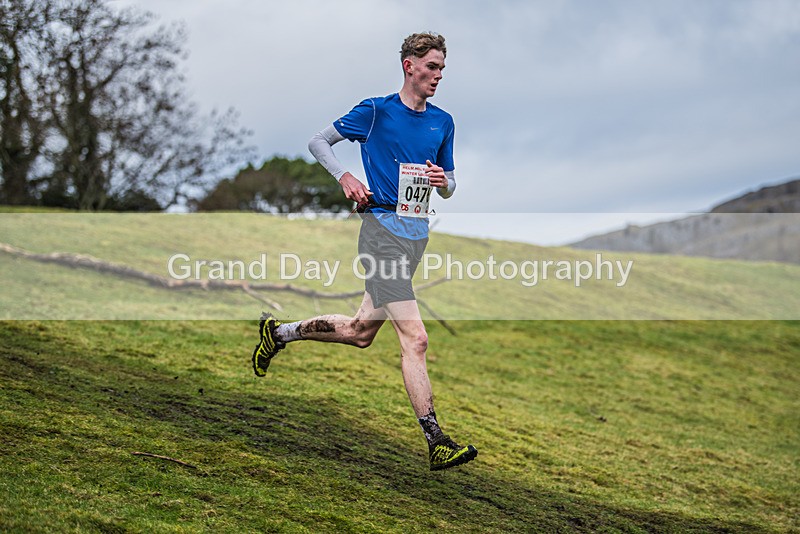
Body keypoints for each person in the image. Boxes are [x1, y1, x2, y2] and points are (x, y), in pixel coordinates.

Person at [252, 32, 477, 471]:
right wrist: (345, 177)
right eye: (432, 67)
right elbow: (318, 141)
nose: (438, 76)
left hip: (415, 234)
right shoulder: (375, 111)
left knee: (360, 331)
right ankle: (437, 440)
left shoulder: (443, 121)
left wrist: (441, 181)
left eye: (442, 70)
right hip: (380, 232)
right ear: (409, 65)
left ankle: (278, 334)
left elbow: (450, 185)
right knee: (416, 337)